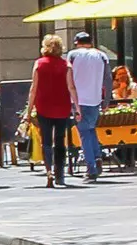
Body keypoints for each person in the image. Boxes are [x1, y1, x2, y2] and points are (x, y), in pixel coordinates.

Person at [66, 31, 111, 182]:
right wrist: (106, 101)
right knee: (91, 130)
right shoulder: (102, 55)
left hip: (78, 100)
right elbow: (108, 79)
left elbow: (68, 78)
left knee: (84, 134)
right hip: (95, 99)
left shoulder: (72, 55)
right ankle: (97, 158)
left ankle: (91, 168)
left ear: (77, 43)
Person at [31, 34, 75, 188]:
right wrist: (77, 107)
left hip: (43, 106)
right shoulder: (66, 65)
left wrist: (28, 110)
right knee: (60, 140)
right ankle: (60, 174)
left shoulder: (39, 64)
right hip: (62, 106)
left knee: (46, 141)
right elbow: (71, 87)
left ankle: (48, 170)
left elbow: (33, 89)